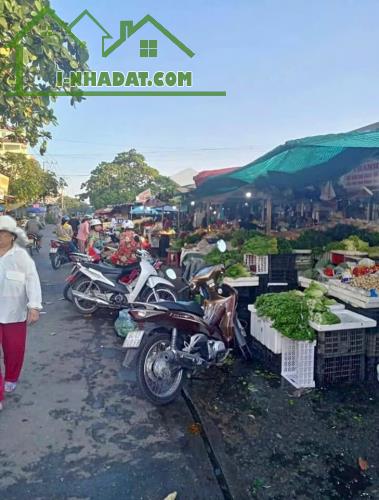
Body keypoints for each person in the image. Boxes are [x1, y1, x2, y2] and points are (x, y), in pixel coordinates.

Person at [0, 215, 42, 411]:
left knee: (14, 351)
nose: (0, 237)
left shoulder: (21, 257)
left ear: (12, 236)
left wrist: (34, 306)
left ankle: (11, 377)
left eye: (3, 233)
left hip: (14, 314)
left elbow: (32, 280)